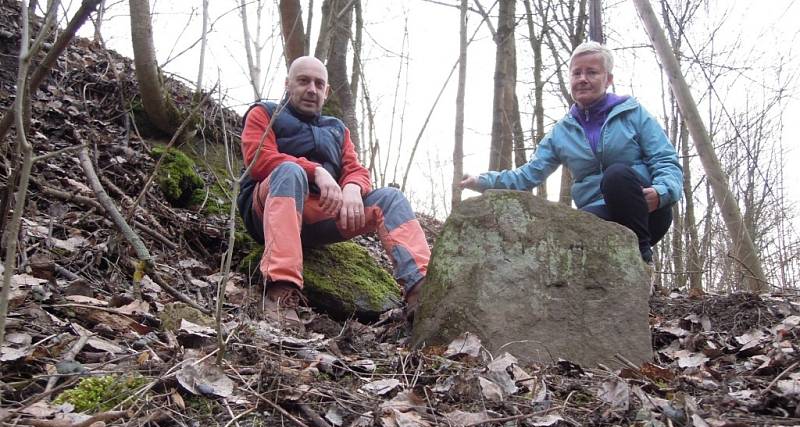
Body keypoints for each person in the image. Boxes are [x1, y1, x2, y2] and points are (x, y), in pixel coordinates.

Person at [238, 56, 429, 319]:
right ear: (287, 84)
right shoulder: (265, 113)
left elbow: (356, 169)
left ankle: (421, 290)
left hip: (322, 217)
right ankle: (281, 290)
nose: (311, 89)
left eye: (319, 84)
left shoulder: (337, 129)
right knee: (289, 171)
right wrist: (315, 171)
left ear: (327, 92)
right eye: (303, 81)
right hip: (269, 209)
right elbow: (258, 159)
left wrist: (352, 187)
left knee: (390, 198)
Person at [461, 41, 683, 264]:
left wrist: (662, 192)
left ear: (608, 79)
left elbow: (665, 159)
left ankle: (643, 263)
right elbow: (528, 175)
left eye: (592, 72)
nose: (583, 79)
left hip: (645, 211)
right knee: (564, 230)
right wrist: (481, 181)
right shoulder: (561, 133)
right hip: (598, 217)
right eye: (576, 73)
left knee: (616, 176)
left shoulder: (633, 114)